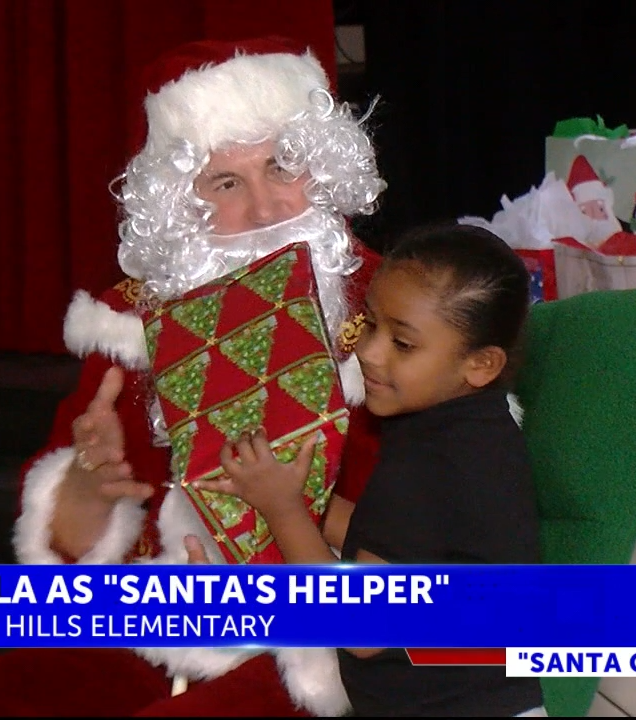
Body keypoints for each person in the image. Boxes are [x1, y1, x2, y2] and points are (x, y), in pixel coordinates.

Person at [0, 36, 388, 717]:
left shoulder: (392, 313)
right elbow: (72, 559)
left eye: (283, 168)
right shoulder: (132, 321)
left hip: (315, 656)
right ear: (182, 203)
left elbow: (431, 551)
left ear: (323, 167)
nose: (265, 211)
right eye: (227, 183)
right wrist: (84, 489)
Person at [197, 223, 546, 717]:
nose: (368, 351)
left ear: (482, 364)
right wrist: (301, 500)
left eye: (403, 344)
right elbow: (396, 544)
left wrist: (282, 508)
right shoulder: (473, 433)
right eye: (371, 324)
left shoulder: (430, 466)